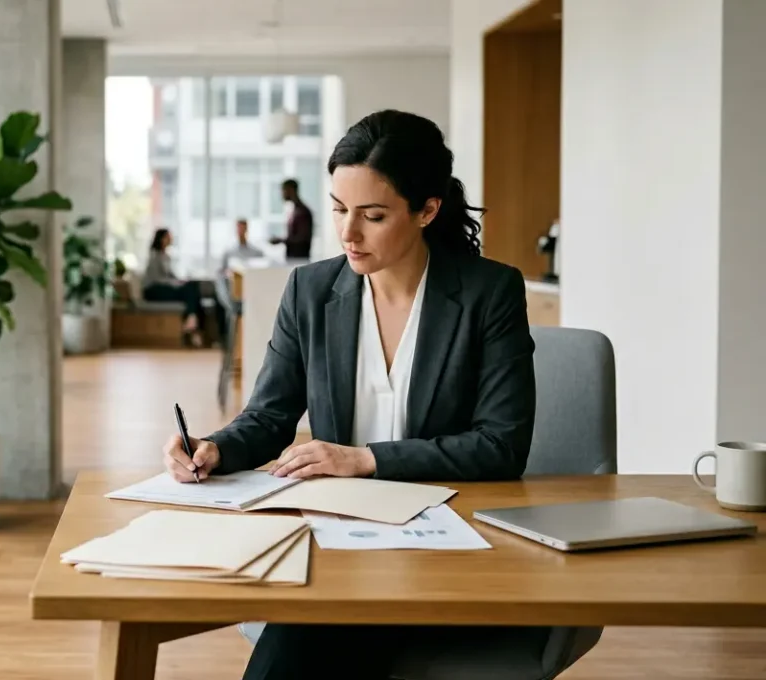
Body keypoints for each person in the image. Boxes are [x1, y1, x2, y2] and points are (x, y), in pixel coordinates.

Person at [160, 110, 538, 680]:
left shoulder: (490, 293)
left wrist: (364, 459)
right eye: (339, 209)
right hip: (338, 540)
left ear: (427, 210)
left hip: (445, 544)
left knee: (314, 633)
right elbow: (269, 416)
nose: (347, 233)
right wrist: (215, 448)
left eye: (374, 215)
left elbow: (501, 445)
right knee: (322, 621)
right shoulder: (311, 292)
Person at [140, 228, 206, 346]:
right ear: (161, 239)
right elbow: (156, 278)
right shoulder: (154, 255)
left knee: (192, 285)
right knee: (190, 293)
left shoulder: (166, 256)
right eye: (168, 237)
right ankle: (193, 323)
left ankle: (191, 320)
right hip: (153, 290)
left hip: (165, 287)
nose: (171, 239)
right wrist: (174, 284)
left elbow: (170, 275)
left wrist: (180, 281)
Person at [268, 178, 314, 260]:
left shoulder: (302, 212)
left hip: (300, 260)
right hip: (293, 259)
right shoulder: (295, 210)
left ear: (291, 190)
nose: (282, 194)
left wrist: (280, 240)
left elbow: (302, 239)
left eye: (283, 190)